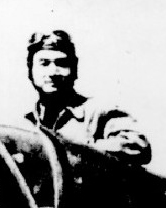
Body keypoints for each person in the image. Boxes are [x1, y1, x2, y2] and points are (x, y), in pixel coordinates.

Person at [25, 30, 151, 165]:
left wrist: (78, 151)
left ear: (74, 70)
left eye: (61, 64)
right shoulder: (24, 125)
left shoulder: (99, 113)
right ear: (30, 70)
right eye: (44, 63)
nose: (53, 72)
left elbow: (138, 146)